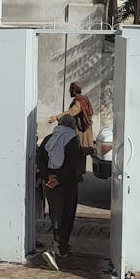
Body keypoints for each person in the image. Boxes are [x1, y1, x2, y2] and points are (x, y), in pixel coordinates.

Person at [36, 114, 81, 271]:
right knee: (67, 215)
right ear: (72, 125)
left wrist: (48, 176)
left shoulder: (50, 138)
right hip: (66, 184)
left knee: (55, 214)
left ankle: (61, 249)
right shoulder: (72, 139)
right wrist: (59, 179)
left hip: (50, 184)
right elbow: (73, 163)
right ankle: (55, 251)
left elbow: (39, 157)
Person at [48, 81, 95, 180]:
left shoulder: (79, 101)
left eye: (70, 89)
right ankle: (79, 174)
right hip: (84, 131)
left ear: (74, 90)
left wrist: (57, 117)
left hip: (81, 132)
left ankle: (77, 174)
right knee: (80, 153)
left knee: (77, 153)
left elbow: (71, 112)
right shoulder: (83, 99)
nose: (69, 91)